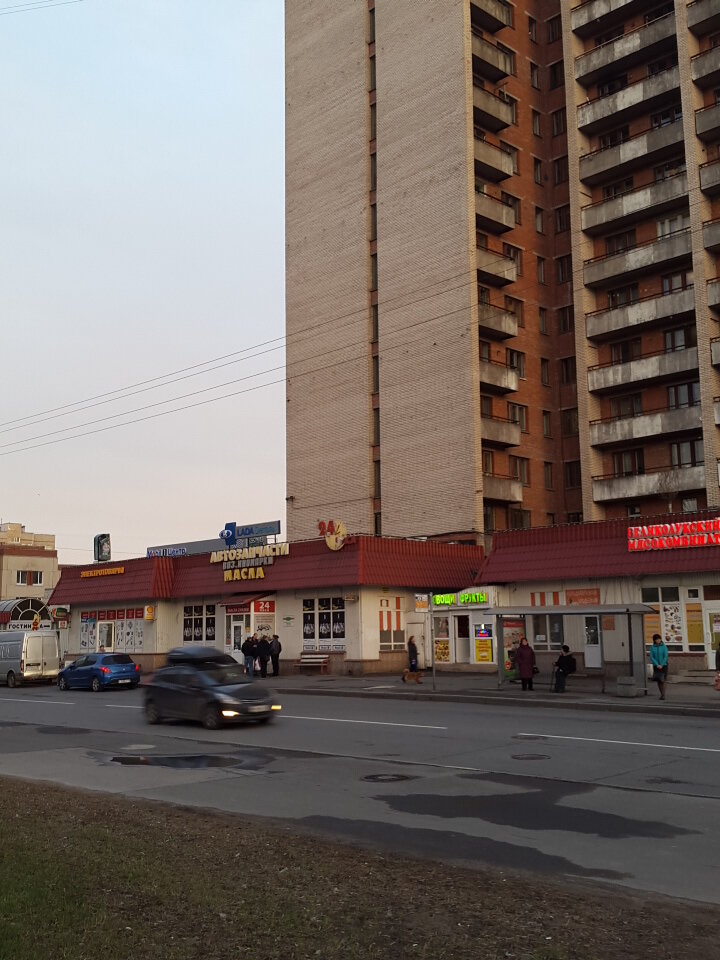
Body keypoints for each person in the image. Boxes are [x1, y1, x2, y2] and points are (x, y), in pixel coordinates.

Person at [649, 633, 669, 700]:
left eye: (659, 639)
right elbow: (652, 657)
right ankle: (661, 694)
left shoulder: (664, 647)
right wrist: (657, 664)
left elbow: (665, 656)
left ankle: (663, 694)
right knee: (659, 680)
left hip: (664, 665)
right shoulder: (652, 647)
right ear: (654, 640)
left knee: (663, 680)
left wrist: (662, 664)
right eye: (656, 639)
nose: (658, 640)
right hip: (656, 666)